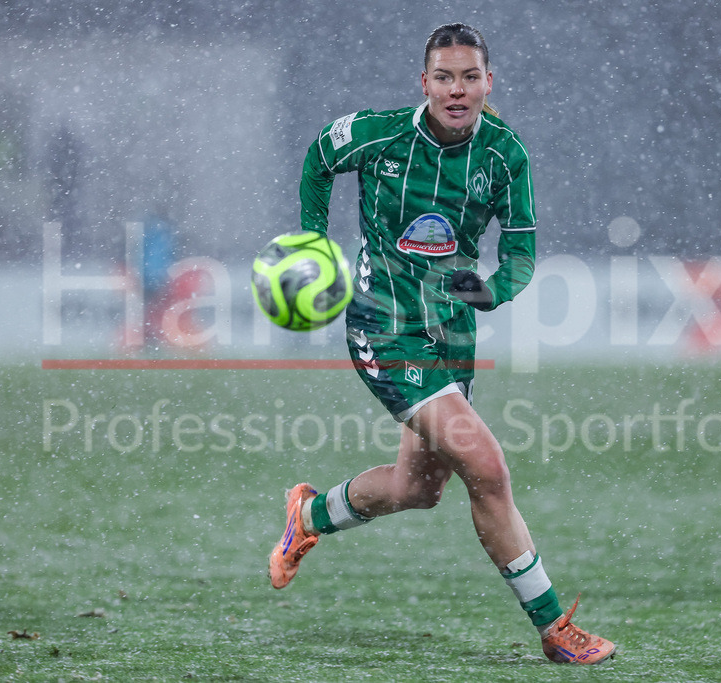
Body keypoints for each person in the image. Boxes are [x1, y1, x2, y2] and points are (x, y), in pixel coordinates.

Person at [269, 22, 616, 665]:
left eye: (469, 77)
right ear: (424, 82)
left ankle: (309, 516)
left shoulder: (505, 156)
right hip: (383, 328)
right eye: (444, 77)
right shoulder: (380, 135)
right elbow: (320, 155)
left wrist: (489, 291)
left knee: (416, 488)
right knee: (487, 467)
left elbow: (520, 255)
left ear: (489, 83)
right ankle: (553, 629)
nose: (457, 89)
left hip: (451, 335)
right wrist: (313, 238)